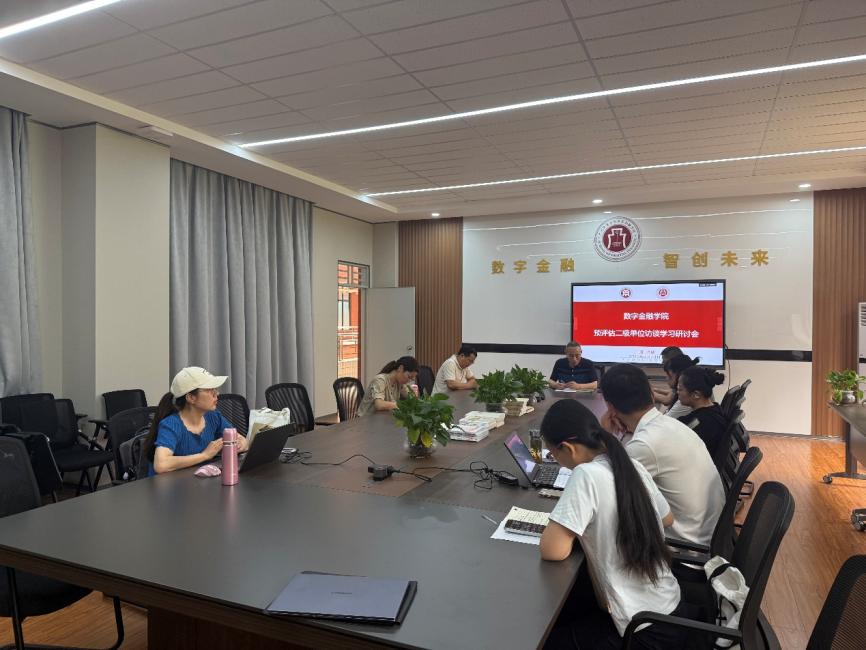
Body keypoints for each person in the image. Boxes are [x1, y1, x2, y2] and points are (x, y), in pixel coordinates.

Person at [539, 399, 688, 649]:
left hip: (639, 631)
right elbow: (667, 519)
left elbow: (553, 550)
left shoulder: (586, 474)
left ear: (567, 448)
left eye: (553, 454)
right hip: (669, 610)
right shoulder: (630, 465)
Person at [600, 363, 725, 546]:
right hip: (712, 535)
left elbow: (603, 490)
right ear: (651, 395)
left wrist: (605, 437)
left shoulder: (644, 445)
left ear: (610, 408)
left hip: (687, 547)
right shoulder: (672, 425)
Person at [145, 366, 248, 475]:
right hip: (170, 483)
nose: (216, 394)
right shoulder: (171, 424)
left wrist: (241, 444)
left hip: (198, 479)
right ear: (191, 398)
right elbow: (161, 465)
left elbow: (242, 440)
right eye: (209, 390)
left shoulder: (213, 416)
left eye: (215, 389)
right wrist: (204, 455)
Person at [677, 366, 728, 462]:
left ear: (696, 394)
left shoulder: (699, 423)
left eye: (680, 389)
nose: (677, 393)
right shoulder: (716, 409)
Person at [662, 353, 700, 419]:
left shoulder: (686, 400)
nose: (666, 378)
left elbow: (664, 421)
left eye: (669, 375)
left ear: (679, 375)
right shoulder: (690, 391)